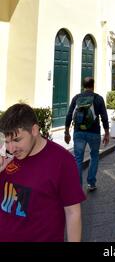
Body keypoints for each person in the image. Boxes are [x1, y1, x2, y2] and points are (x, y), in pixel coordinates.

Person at [0, 103, 85, 242]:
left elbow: (73, 213)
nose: (11, 148)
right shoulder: (6, 158)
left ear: (34, 130)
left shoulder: (62, 160)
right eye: (7, 141)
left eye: (17, 140)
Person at [65, 77, 110, 191]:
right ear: (93, 86)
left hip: (79, 132)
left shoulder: (76, 98)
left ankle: (78, 186)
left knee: (78, 159)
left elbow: (69, 115)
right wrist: (107, 133)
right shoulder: (98, 98)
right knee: (94, 156)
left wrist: (66, 132)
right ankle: (91, 183)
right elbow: (104, 116)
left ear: (83, 86)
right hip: (94, 132)